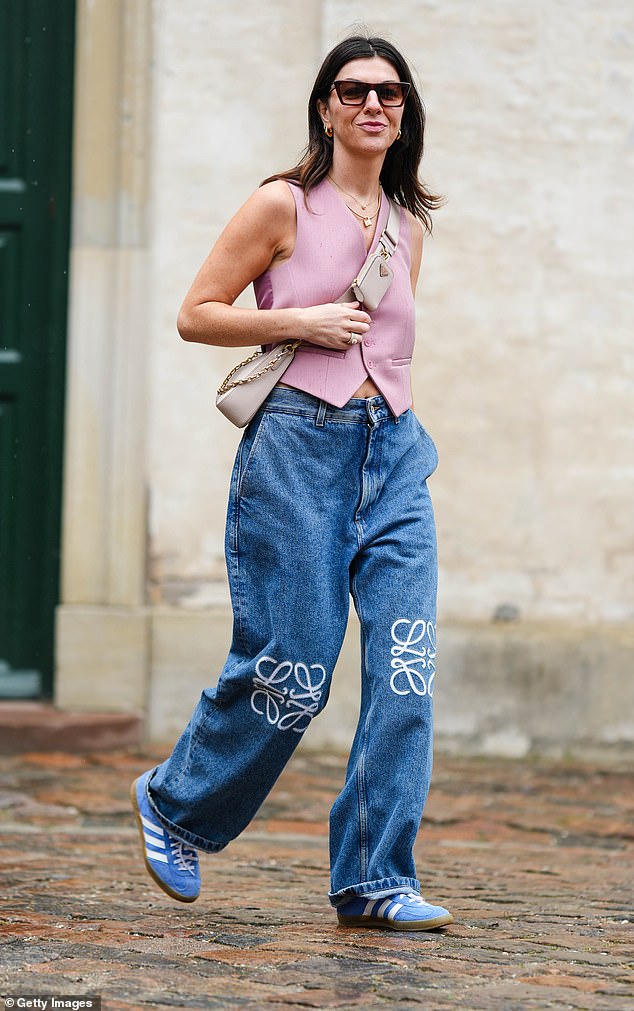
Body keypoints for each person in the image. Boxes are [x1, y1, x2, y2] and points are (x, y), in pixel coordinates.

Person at [131, 33, 453, 932]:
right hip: (296, 452)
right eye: (353, 92)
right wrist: (301, 319)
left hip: (393, 456)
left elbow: (390, 347)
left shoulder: (406, 226)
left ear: (404, 111)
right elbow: (196, 313)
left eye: (389, 93)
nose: (372, 106)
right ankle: (176, 802)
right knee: (297, 666)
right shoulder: (281, 205)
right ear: (325, 106)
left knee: (405, 669)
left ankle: (374, 875)